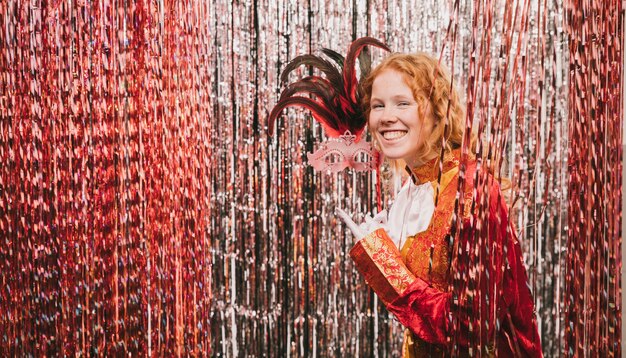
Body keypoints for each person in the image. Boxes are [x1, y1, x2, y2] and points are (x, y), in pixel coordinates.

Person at [336, 53, 542, 357]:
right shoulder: (410, 187)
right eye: (378, 105)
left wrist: (385, 266)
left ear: (437, 110)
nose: (386, 116)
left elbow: (472, 328)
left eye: (403, 103)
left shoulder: (471, 190)